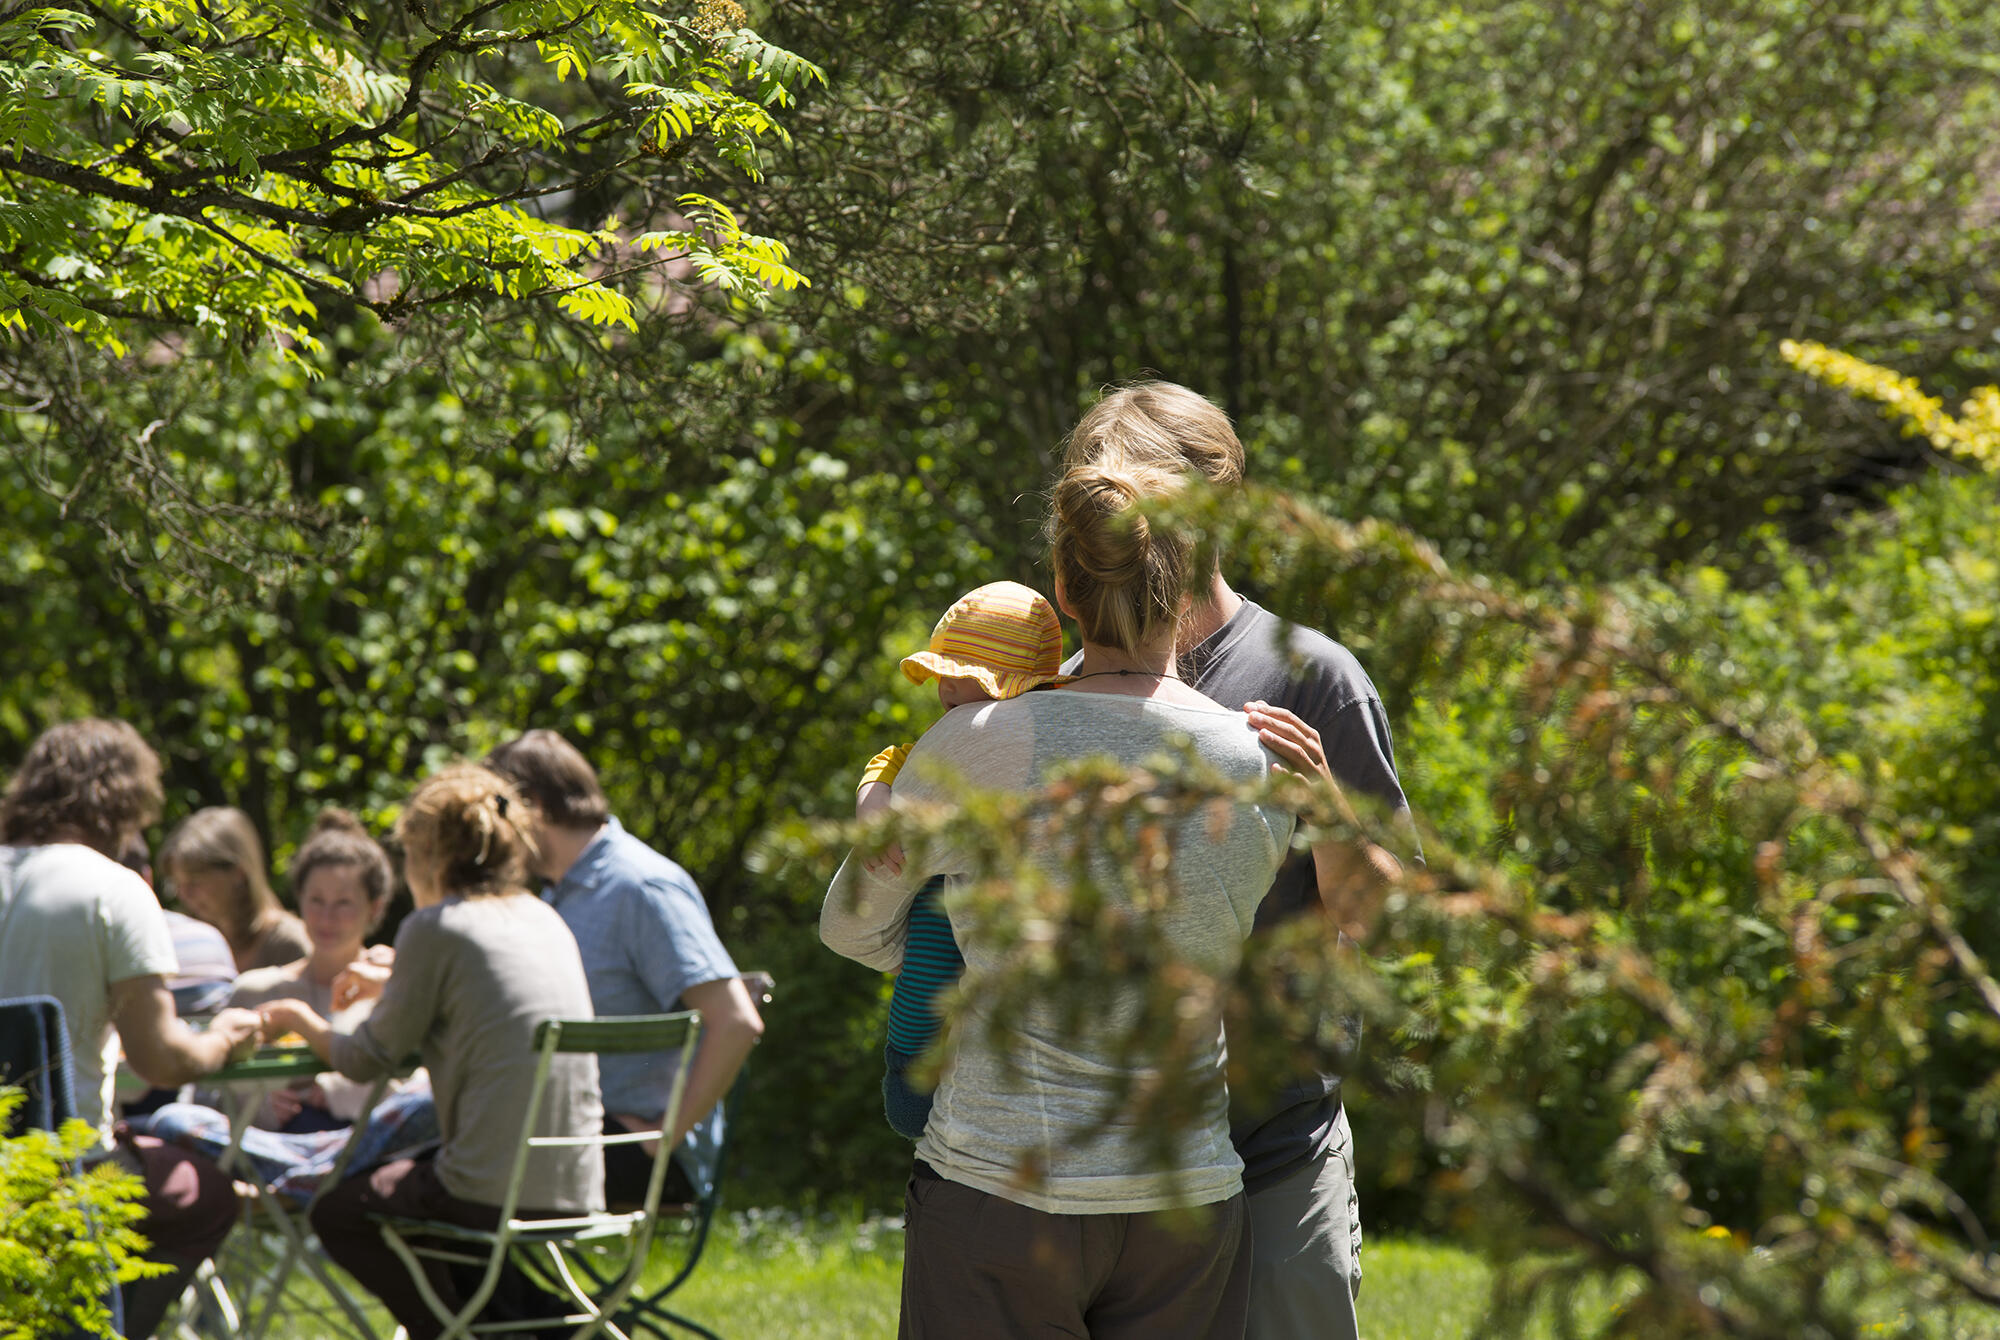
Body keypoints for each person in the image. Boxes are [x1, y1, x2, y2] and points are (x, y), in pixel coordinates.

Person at [823, 457, 1296, 1338]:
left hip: (999, 1188)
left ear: (1063, 593)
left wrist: (942, 916)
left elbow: (853, 927)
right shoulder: (1253, 757)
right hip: (1188, 1201)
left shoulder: (975, 741)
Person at [1062, 380, 1412, 1340]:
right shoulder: (1066, 681)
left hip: (1272, 1151)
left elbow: (1387, 925)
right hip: (1092, 1161)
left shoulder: (1310, 676)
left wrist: (1327, 811)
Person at [261, 765, 602, 1340]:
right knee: (419, 1215)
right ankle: (541, 1326)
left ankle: (462, 1333)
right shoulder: (542, 916)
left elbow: (364, 1058)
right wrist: (396, 983)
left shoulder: (434, 926)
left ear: (425, 854)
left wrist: (297, 1018)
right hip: (575, 1179)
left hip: (487, 1186)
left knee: (339, 1212)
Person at [0, 719, 264, 1339]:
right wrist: (224, 1037)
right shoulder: (114, 890)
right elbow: (163, 1060)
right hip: (61, 1169)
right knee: (205, 1196)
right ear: (122, 798)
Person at [484, 730, 765, 1207]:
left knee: (449, 1175)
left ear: (530, 805)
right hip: (567, 1132)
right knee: (437, 1157)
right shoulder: (557, 891)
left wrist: (662, 1137)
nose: (488, 838)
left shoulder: (641, 887)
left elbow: (736, 1022)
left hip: (636, 1148)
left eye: (492, 818)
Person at [853, 580, 1070, 1139]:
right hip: (942, 890)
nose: (946, 691)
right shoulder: (946, 737)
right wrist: (874, 805)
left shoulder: (1053, 733)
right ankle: (907, 1066)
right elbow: (890, 759)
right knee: (927, 968)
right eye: (943, 675)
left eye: (965, 679)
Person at [226, 808, 405, 1132]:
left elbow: (416, 1091)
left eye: (344, 903)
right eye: (316, 900)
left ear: (374, 907)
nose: (326, 918)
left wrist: (341, 1094)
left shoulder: (391, 989)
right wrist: (258, 1104)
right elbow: (203, 1092)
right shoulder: (255, 990)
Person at [160, 806, 310, 973]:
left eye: (195, 882)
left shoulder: (289, 943)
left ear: (238, 873)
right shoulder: (188, 941)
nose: (184, 894)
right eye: (177, 883)